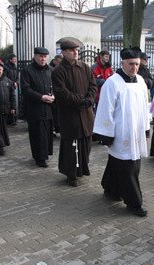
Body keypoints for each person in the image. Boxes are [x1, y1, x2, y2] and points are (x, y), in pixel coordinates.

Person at [93, 47, 150, 217]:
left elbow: (144, 106)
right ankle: (134, 203)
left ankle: (111, 189)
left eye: (137, 64)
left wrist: (146, 127)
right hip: (120, 132)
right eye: (131, 64)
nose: (135, 67)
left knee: (118, 161)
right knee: (129, 166)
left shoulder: (140, 81)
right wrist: (106, 133)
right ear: (122, 63)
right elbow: (105, 109)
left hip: (136, 130)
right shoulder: (112, 82)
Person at [52, 39, 97, 187]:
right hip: (70, 115)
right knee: (72, 146)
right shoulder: (58, 71)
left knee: (86, 143)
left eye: (77, 49)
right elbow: (61, 93)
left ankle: (82, 169)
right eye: (72, 50)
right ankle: (71, 174)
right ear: (64, 52)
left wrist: (89, 100)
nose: (75, 52)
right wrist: (80, 100)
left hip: (86, 113)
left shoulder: (84, 67)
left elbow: (93, 86)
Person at [20, 47, 54, 168]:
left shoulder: (50, 70)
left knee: (47, 134)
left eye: (45, 56)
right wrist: (41, 97)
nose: (43, 59)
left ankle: (45, 155)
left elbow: (55, 85)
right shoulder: (27, 70)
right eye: (40, 56)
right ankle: (39, 158)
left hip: (49, 108)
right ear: (35, 56)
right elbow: (25, 89)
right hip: (35, 108)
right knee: (37, 134)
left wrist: (53, 95)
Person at [48, 54, 63, 136]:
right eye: (59, 62)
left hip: (57, 93)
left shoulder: (56, 68)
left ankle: (57, 128)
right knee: (54, 114)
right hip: (52, 93)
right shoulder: (50, 69)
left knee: (57, 113)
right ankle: (55, 129)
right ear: (55, 61)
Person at [4, 53, 19, 126]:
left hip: (14, 86)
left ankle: (14, 119)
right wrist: (12, 83)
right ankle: (9, 120)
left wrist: (16, 82)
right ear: (10, 60)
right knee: (9, 102)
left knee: (14, 102)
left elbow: (17, 76)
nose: (15, 61)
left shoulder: (15, 67)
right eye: (14, 59)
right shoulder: (6, 67)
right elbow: (5, 77)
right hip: (8, 86)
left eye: (16, 59)